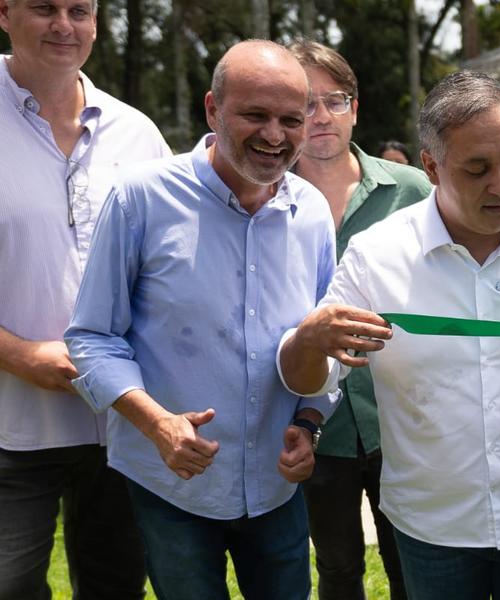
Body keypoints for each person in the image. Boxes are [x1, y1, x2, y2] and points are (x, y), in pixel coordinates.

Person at [277, 71, 500, 600]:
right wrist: (307, 344)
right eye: (477, 169)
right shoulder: (375, 257)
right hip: (432, 527)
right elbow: (316, 378)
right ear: (431, 167)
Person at [65, 40, 338, 599]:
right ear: (213, 109)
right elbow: (92, 338)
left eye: (290, 119)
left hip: (275, 486)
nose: (274, 134)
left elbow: (322, 342)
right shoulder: (141, 198)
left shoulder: (310, 210)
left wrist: (308, 424)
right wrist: (157, 423)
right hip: (172, 487)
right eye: (255, 115)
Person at [0, 1, 170, 597]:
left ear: (97, 22)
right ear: (4, 13)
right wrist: (17, 355)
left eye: (79, 9)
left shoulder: (138, 133)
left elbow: (167, 270)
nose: (63, 25)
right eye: (44, 7)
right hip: (10, 422)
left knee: (116, 585)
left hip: (119, 422)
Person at [289, 39, 433, 600]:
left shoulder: (413, 191)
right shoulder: (266, 197)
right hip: (310, 420)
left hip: (402, 414)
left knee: (412, 566)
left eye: (334, 100)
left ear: (357, 107)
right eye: (304, 103)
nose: (320, 116)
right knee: (338, 566)